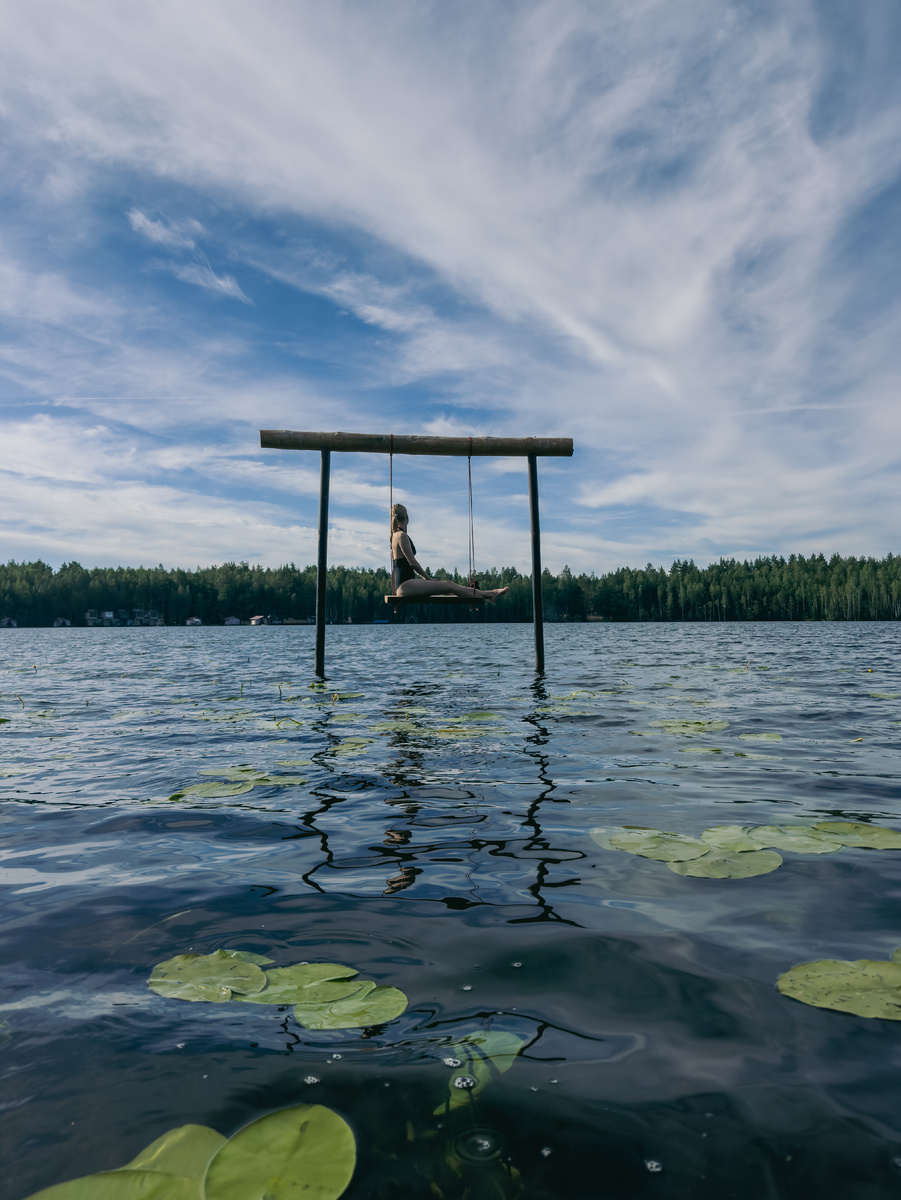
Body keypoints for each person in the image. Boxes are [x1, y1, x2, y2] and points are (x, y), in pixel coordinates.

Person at [390, 503, 509, 601]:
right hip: (406, 586)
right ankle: (489, 594)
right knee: (449, 585)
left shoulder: (394, 535)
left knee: (449, 585)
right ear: (407, 517)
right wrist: (428, 579)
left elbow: (396, 566)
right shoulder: (402, 536)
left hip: (404, 586)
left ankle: (487, 594)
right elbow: (413, 563)